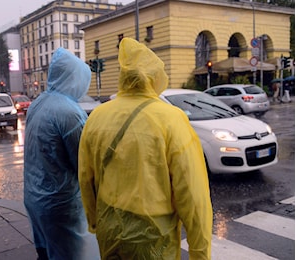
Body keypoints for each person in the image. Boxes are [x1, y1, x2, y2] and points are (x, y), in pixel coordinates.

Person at [78, 37, 213, 260]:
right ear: (156, 77)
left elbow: (85, 177)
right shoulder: (171, 119)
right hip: (153, 238)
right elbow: (192, 192)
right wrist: (200, 252)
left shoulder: (97, 117)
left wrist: (95, 221)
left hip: (109, 229)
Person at [23, 47, 100, 260]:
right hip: (61, 206)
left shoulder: (38, 103)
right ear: (74, 79)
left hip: (35, 199)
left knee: (46, 253)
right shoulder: (69, 113)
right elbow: (84, 165)